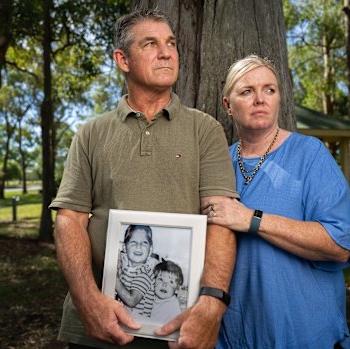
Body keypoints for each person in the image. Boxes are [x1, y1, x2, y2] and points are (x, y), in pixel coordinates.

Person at [50, 7, 239, 349]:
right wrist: (88, 301)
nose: (166, 52)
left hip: (179, 326)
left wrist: (212, 305)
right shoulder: (91, 133)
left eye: (171, 43)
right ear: (122, 59)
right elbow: (69, 220)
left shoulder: (205, 130)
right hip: (98, 325)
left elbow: (221, 219)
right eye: (150, 44)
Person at [201, 54, 350, 349]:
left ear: (279, 98)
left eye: (269, 89)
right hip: (232, 334)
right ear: (228, 105)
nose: (260, 99)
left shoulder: (310, 155)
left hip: (301, 333)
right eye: (246, 91)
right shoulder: (217, 163)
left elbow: (341, 246)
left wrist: (252, 219)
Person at [115, 225, 159, 317]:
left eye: (144, 243)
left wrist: (114, 279)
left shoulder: (145, 273)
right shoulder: (126, 269)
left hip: (137, 325)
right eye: (133, 242)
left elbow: (131, 301)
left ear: (150, 250)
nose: (138, 247)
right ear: (124, 247)